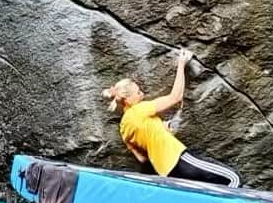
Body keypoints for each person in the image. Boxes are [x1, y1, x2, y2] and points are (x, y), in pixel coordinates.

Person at [102, 48, 241, 187]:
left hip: (168, 173)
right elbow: (175, 97)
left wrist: (162, 132)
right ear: (127, 99)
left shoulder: (124, 128)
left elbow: (142, 159)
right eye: (138, 92)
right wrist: (181, 63)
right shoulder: (139, 110)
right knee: (233, 179)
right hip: (177, 159)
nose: (142, 94)